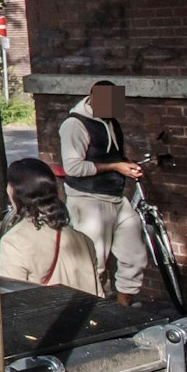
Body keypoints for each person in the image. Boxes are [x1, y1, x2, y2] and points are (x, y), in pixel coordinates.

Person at [58, 80, 148, 304]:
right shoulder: (74, 125)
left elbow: (111, 155)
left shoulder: (112, 122)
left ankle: (123, 306)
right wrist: (116, 167)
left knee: (135, 256)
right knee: (93, 262)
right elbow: (73, 167)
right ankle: (92, 313)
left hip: (116, 197)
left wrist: (127, 165)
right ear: (91, 96)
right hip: (87, 200)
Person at [0, 158, 103, 295]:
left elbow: (13, 301)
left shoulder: (14, 243)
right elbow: (98, 293)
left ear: (13, 191)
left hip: (49, 315)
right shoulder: (84, 240)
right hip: (88, 314)